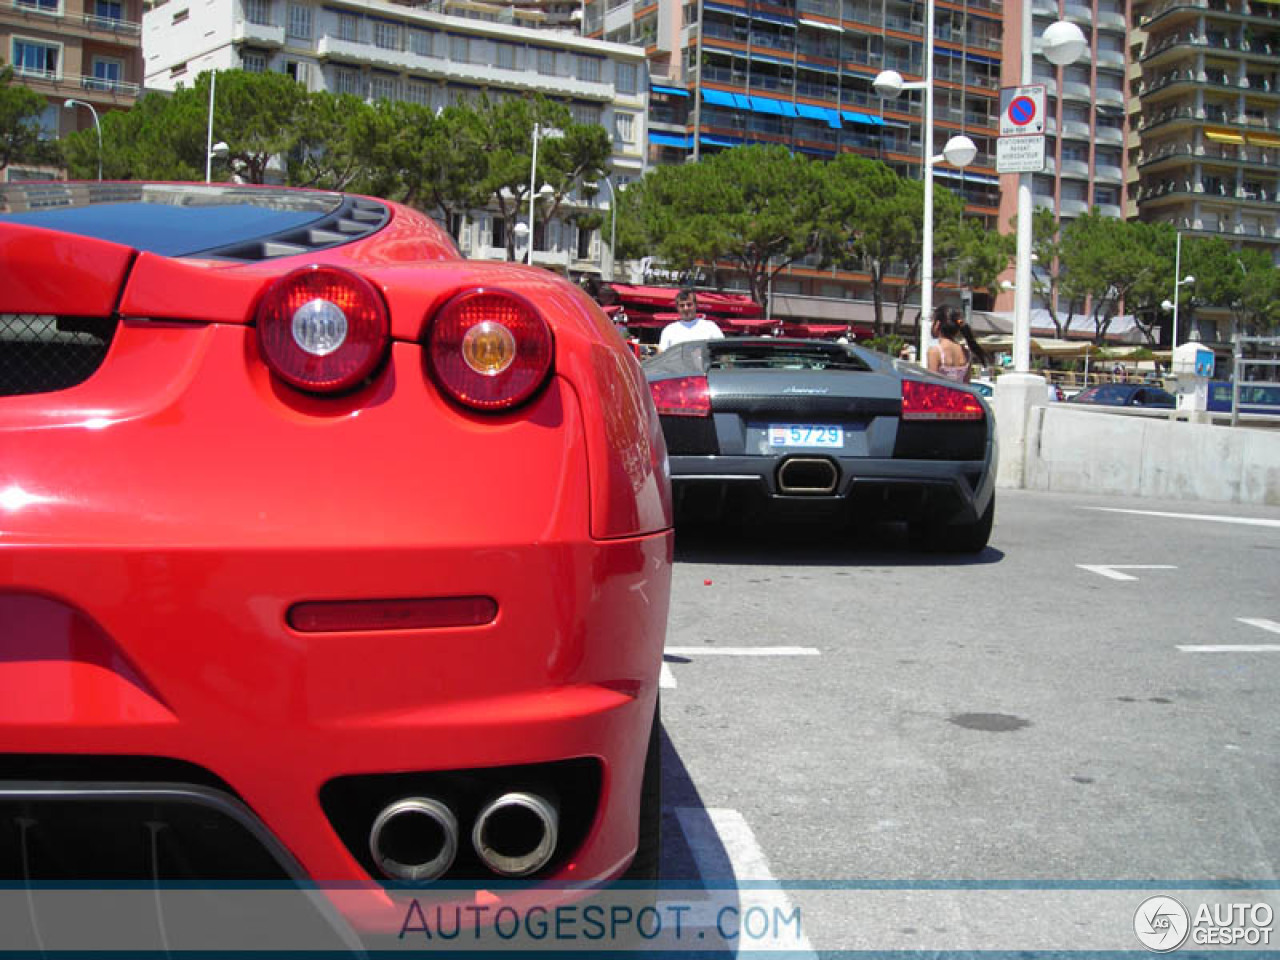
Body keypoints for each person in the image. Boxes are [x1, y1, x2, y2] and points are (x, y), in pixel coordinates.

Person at [926, 306, 987, 383]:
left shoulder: (935, 352)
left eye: (932, 321)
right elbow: (966, 385)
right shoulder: (966, 353)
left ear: (937, 324)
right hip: (959, 394)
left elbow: (932, 384)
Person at [659, 289, 724, 351]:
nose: (686, 308)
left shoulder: (710, 326)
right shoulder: (669, 330)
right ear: (677, 308)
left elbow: (723, 349)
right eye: (682, 305)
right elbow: (662, 356)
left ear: (696, 305)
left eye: (689, 304)